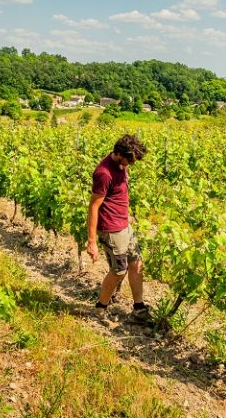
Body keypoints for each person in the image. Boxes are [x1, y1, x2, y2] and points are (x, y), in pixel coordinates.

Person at [87, 134, 150, 323]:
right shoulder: (104, 174)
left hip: (124, 225)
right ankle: (100, 308)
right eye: (130, 160)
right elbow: (93, 207)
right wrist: (92, 242)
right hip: (111, 228)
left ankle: (139, 309)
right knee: (118, 270)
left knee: (137, 264)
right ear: (119, 154)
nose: (131, 164)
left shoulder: (120, 163)